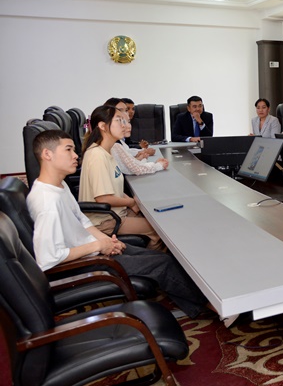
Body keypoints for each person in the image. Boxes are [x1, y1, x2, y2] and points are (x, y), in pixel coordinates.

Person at [28, 129, 208, 318]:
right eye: (68, 150)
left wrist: (106, 241)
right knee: (162, 264)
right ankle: (212, 307)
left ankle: (195, 304)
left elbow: (82, 220)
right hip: (84, 263)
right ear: (47, 154)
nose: (75, 155)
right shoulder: (47, 203)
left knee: (161, 258)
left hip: (92, 249)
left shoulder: (59, 185)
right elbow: (48, 258)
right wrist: (98, 246)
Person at [79, 105, 165, 251]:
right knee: (159, 230)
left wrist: (132, 203)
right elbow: (103, 198)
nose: (124, 125)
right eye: (119, 121)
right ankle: (152, 261)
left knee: (156, 216)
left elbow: (114, 188)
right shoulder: (97, 156)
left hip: (116, 212)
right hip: (104, 220)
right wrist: (131, 202)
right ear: (103, 126)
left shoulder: (107, 151)